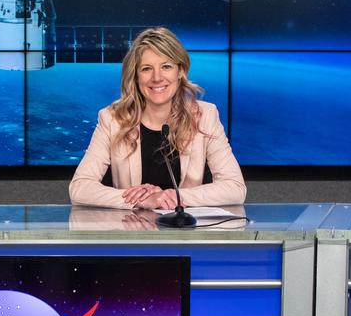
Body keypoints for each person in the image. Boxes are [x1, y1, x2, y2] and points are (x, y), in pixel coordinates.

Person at [69, 26, 245, 209]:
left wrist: (172, 197)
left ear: (180, 71)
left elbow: (235, 188)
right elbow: (80, 188)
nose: (157, 77)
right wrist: (140, 200)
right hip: (131, 232)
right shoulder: (112, 119)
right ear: (135, 76)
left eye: (166, 66)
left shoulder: (205, 115)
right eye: (146, 69)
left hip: (186, 232)